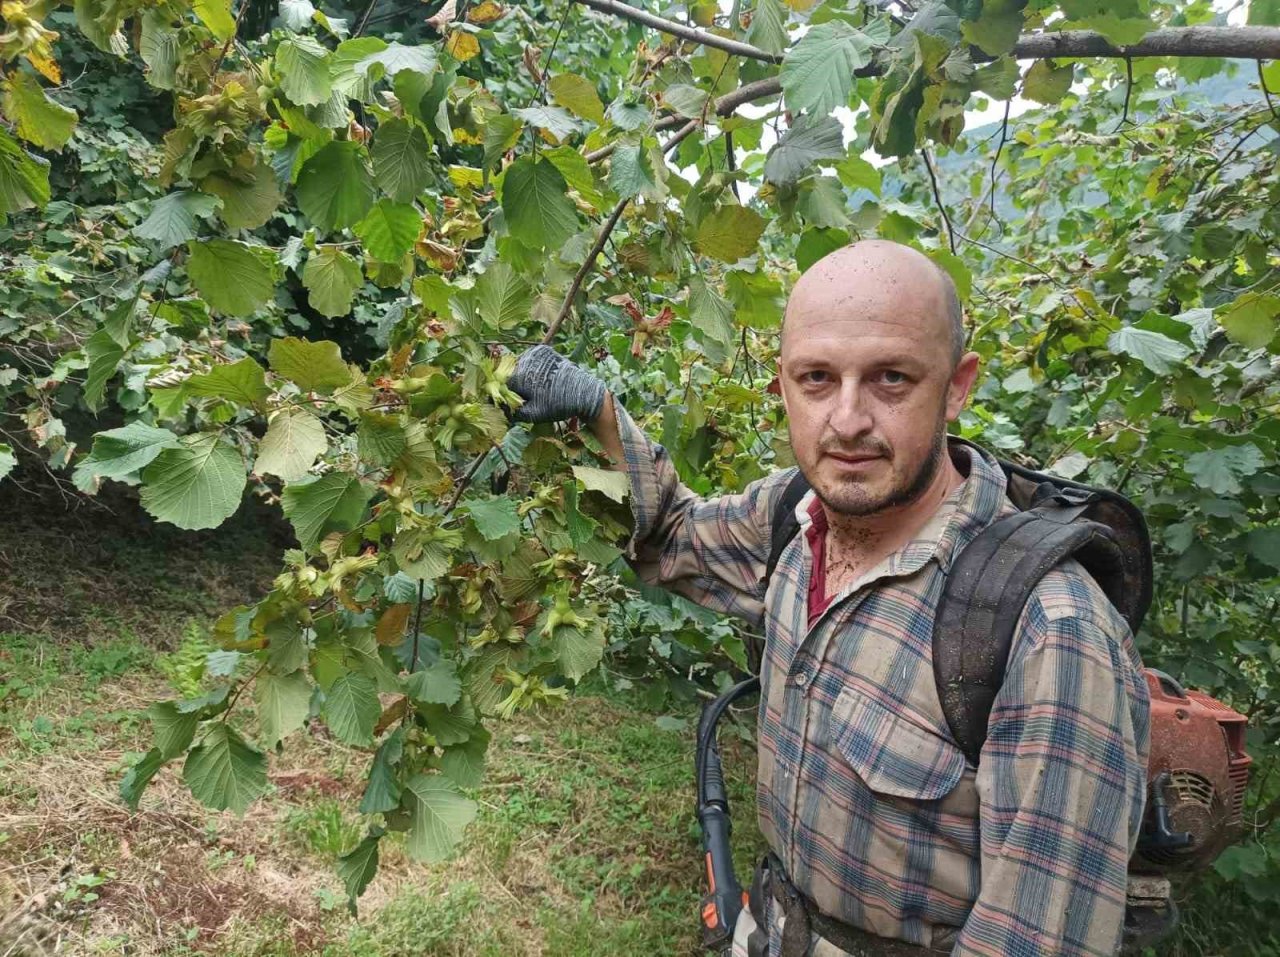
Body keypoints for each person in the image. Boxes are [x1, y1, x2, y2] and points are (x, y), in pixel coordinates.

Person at [508, 240, 1150, 957]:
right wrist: (597, 407)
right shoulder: (790, 517)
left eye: (892, 379)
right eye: (817, 378)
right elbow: (677, 532)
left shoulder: (1050, 631)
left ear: (957, 385)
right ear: (782, 385)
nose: (847, 419)